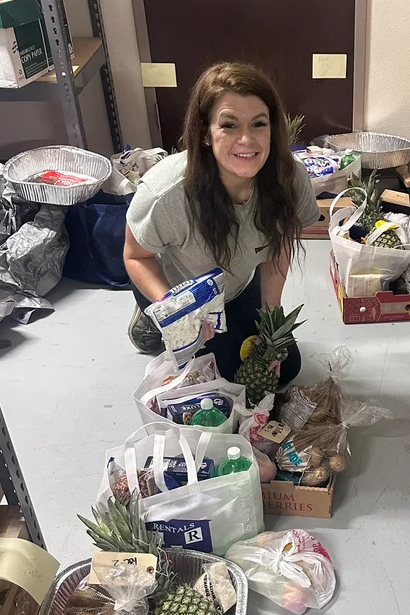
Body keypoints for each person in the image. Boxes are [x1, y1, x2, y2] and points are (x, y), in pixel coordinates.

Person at [124, 61, 320, 381]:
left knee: (283, 368)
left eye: (258, 124)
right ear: (205, 133)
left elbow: (279, 246)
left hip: (239, 282)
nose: (246, 140)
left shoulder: (289, 178)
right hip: (181, 293)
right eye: (229, 125)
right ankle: (149, 319)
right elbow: (135, 256)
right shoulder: (166, 192)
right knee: (225, 374)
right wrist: (174, 309)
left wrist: (271, 320)